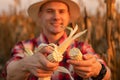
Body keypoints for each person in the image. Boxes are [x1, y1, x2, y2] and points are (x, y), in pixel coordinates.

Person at [2, 0, 111, 80]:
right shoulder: (24, 46)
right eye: (50, 11)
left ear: (69, 16)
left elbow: (108, 75)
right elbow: (9, 74)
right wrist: (25, 65)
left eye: (61, 11)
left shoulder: (82, 47)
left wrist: (97, 69)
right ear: (40, 15)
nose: (56, 17)